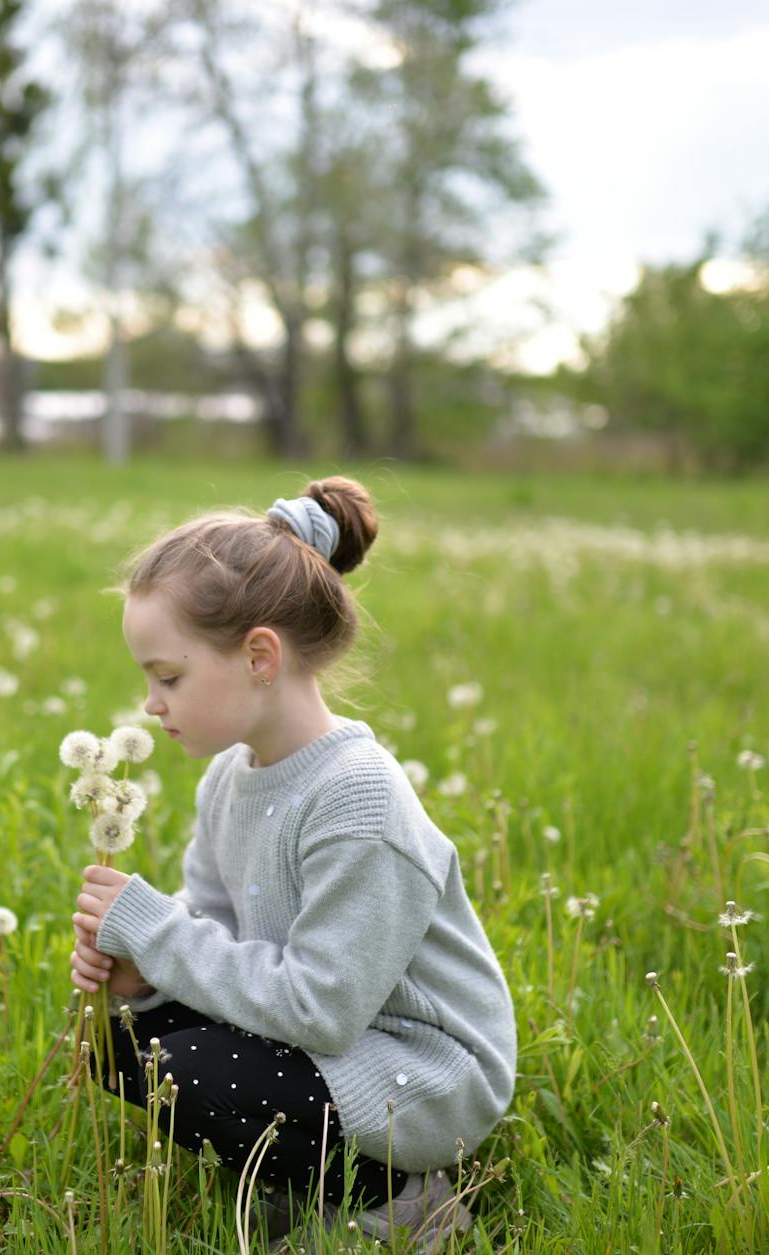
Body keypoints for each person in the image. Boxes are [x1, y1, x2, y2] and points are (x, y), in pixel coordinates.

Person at [69, 476, 516, 1252]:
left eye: (168, 676)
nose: (151, 703)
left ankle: (399, 1201)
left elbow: (323, 1007)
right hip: (331, 1032)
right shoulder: (229, 777)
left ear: (260, 656)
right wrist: (141, 976)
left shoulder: (358, 800)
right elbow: (211, 928)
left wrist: (155, 927)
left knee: (191, 1069)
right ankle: (303, 1175)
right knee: (117, 1048)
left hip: (420, 1071)